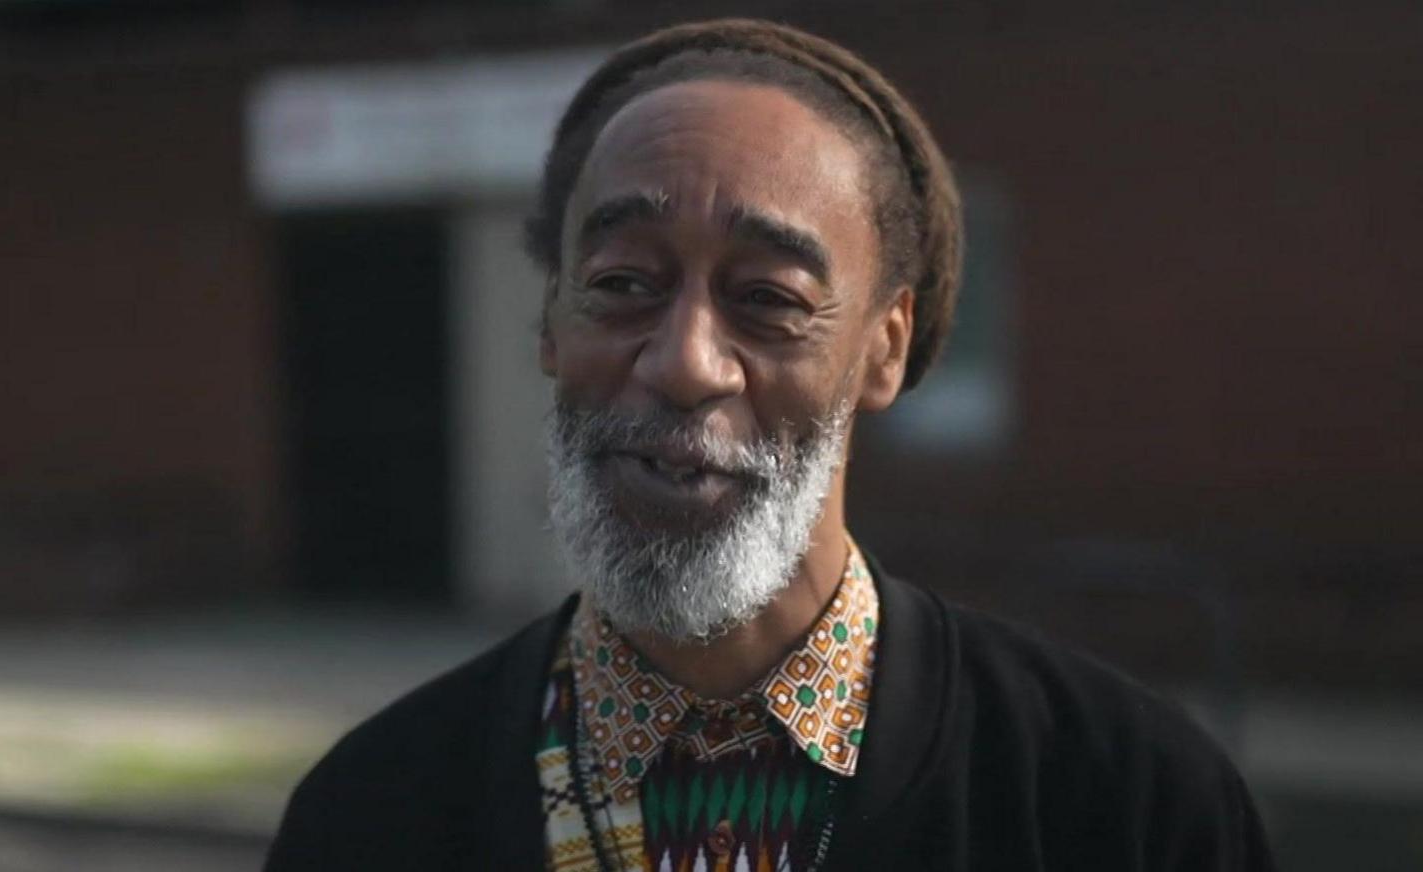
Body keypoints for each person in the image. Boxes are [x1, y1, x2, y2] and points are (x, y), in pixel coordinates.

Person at [264, 18, 1275, 872]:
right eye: (622, 283)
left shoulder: (1125, 808)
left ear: (884, 350)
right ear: (549, 326)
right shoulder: (367, 816)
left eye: (767, 299)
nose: (686, 362)